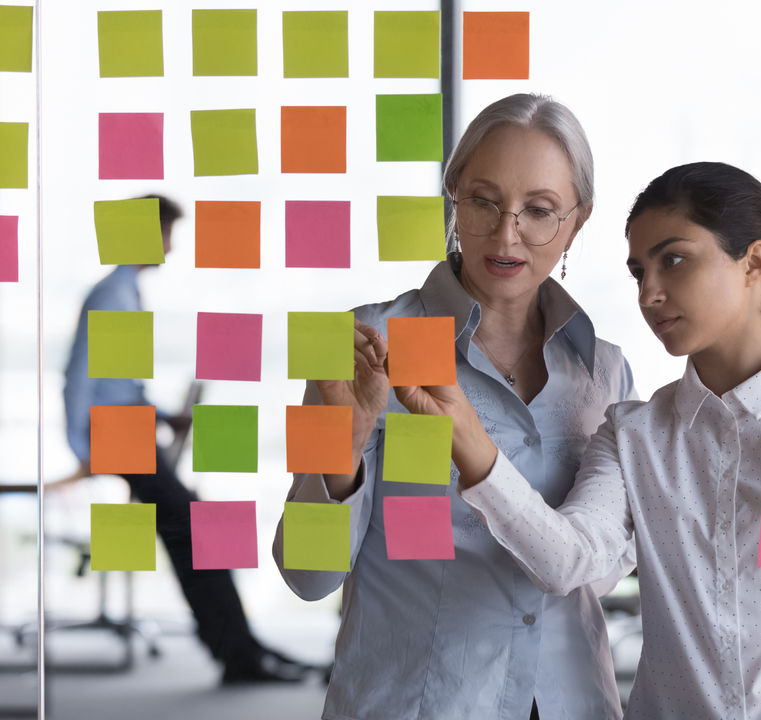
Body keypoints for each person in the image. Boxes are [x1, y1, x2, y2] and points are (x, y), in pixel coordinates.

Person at [394, 163, 761, 717]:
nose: (650, 294)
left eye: (674, 260)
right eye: (639, 272)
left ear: (754, 262)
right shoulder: (634, 433)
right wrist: (468, 440)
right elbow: (568, 562)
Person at [273, 94, 637, 720]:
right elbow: (307, 578)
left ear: (577, 220)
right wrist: (345, 443)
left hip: (570, 701)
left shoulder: (604, 372)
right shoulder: (364, 343)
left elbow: (598, 568)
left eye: (539, 211)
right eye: (484, 201)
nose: (505, 234)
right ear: (453, 193)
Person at [63, 194, 306, 684]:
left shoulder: (123, 291)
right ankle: (238, 652)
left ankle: (241, 646)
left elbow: (118, 385)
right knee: (196, 526)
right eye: (165, 234)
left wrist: (161, 414)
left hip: (126, 430)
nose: (170, 248)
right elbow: (81, 381)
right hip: (116, 436)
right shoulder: (113, 294)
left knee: (194, 524)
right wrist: (84, 449)